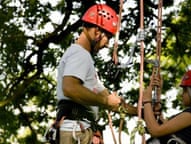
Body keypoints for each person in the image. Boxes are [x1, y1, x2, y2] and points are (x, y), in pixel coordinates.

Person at [55, 4, 137, 144]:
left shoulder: (84, 59)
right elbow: (70, 88)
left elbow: (110, 100)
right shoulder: (80, 53)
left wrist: (140, 110)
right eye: (108, 37)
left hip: (79, 129)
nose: (107, 44)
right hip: (75, 130)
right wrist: (105, 101)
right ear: (98, 32)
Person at [142, 67, 191, 144]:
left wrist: (147, 101)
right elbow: (164, 126)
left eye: (184, 91)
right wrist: (158, 93)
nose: (181, 95)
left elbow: (156, 131)